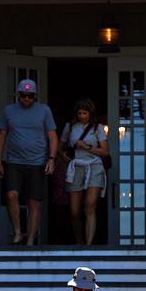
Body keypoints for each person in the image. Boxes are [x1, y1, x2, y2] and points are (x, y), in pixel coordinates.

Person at [0, 79, 58, 246]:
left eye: (30, 96)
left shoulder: (44, 110)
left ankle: (30, 240)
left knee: (33, 202)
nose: (27, 99)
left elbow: (52, 136)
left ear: (35, 96)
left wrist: (51, 159)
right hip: (14, 161)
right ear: (18, 94)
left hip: (37, 162)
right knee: (11, 195)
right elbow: (1, 136)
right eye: (23, 95)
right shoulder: (9, 110)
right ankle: (17, 232)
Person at [59, 98, 109, 245]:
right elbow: (60, 148)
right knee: (74, 212)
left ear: (90, 113)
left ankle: (88, 245)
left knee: (90, 205)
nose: (82, 115)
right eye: (79, 113)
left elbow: (106, 151)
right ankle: (79, 241)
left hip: (94, 166)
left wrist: (87, 147)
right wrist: (64, 157)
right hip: (76, 167)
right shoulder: (70, 127)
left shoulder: (97, 128)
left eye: (85, 113)